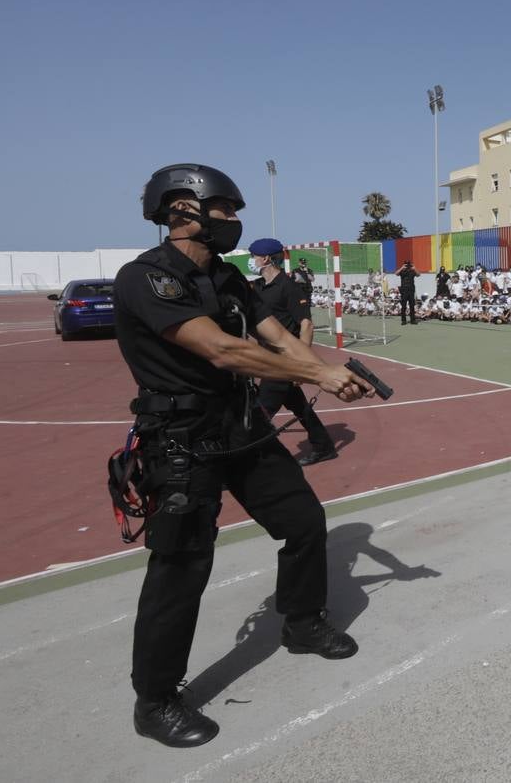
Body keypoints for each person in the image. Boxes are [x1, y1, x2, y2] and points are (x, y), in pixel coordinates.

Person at [114, 165, 372, 747]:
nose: (235, 222)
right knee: (182, 568)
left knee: (304, 522)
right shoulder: (147, 279)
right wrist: (320, 376)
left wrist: (319, 368)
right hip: (180, 439)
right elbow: (223, 350)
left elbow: (273, 335)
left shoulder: (230, 279)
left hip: (240, 426)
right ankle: (154, 700)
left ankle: (302, 623)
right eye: (226, 211)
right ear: (183, 210)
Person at [247, 238, 338, 466]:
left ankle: (244, 463)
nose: (251, 260)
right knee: (299, 405)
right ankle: (323, 445)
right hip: (267, 358)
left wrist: (302, 364)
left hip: (283, 362)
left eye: (254, 255)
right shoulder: (257, 287)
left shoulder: (289, 287)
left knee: (259, 414)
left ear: (265, 258)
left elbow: (306, 325)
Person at [394, 260, 418, 324]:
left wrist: (415, 268)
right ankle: (403, 320)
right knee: (403, 306)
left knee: (412, 306)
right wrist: (402, 268)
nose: (407, 266)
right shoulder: (402, 271)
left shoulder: (412, 270)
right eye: (406, 264)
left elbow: (418, 275)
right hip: (404, 290)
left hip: (411, 290)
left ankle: (413, 320)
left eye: (408, 264)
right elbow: (396, 273)